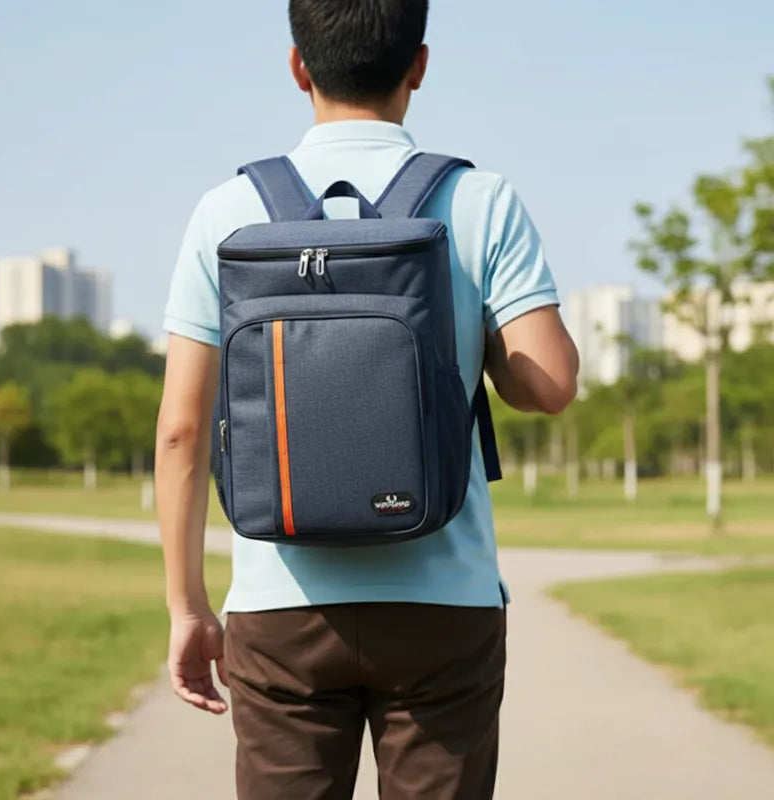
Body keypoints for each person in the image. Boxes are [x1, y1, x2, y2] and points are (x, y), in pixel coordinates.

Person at [156, 1, 579, 798]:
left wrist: (188, 607)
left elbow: (181, 431)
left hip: (281, 607)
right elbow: (549, 383)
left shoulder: (227, 210)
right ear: (419, 65)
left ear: (297, 66)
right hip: (443, 602)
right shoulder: (480, 201)